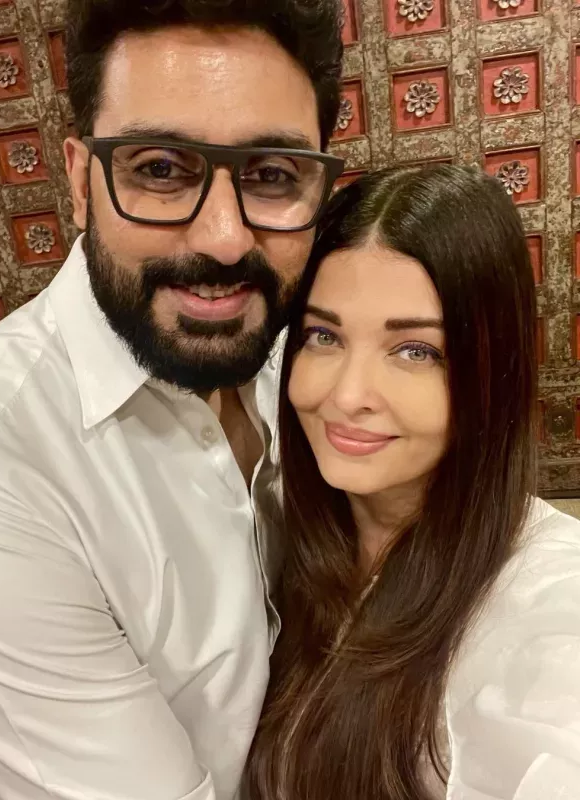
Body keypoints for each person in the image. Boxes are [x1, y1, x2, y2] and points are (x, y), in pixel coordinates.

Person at [0, 1, 345, 798]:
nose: (224, 239)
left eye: (272, 175)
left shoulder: (302, 345)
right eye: (160, 169)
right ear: (79, 183)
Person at [246, 165, 580, 800]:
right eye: (323, 336)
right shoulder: (275, 530)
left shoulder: (547, 605)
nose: (348, 394)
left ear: (492, 371)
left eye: (416, 350)